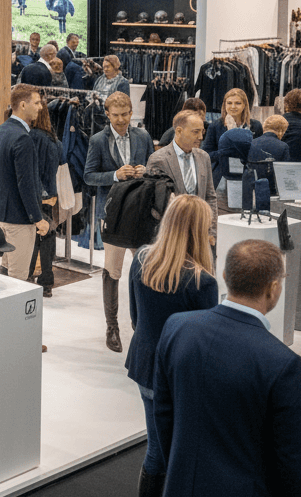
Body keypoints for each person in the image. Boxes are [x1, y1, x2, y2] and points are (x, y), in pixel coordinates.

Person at [153, 239, 301, 497]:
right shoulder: (283, 364)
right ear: (273, 289)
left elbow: (163, 414)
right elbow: (292, 462)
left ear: (225, 276)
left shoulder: (176, 328)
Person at [125, 195, 218, 497]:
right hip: (179, 377)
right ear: (198, 230)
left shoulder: (141, 258)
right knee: (173, 454)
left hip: (144, 365)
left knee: (157, 449)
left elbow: (136, 319)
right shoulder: (202, 281)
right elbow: (203, 341)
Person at [83, 90, 155, 349]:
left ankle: (143, 323)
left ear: (131, 113)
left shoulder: (142, 136)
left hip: (139, 213)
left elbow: (154, 168)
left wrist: (145, 171)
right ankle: (112, 327)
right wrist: (114, 175)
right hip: (112, 214)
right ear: (107, 115)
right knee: (112, 271)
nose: (121, 120)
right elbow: (89, 176)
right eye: (116, 115)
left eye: (125, 114)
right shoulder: (98, 141)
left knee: (146, 269)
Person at [0, 85, 50, 278]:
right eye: (37, 103)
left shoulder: (0, 131)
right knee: (19, 278)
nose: (40, 107)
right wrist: (37, 218)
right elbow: (26, 183)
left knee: (6, 268)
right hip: (20, 219)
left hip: (1, 213)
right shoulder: (23, 138)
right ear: (23, 105)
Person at [147, 110, 218, 241]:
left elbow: (210, 197)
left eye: (202, 132)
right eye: (195, 132)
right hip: (170, 234)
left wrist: (211, 231)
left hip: (199, 233)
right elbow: (155, 204)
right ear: (179, 131)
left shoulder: (204, 157)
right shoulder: (158, 159)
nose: (201, 137)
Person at [28, 104, 64, 296]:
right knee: (48, 235)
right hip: (50, 193)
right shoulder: (55, 141)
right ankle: (47, 282)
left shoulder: (30, 137)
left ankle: (27, 276)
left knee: (32, 235)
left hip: (34, 193)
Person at [201, 88, 263, 186]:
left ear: (244, 105)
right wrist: (223, 152)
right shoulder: (215, 126)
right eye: (229, 103)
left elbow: (259, 155)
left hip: (247, 176)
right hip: (222, 177)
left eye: (238, 103)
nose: (233, 106)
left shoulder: (255, 126)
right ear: (224, 105)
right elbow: (206, 155)